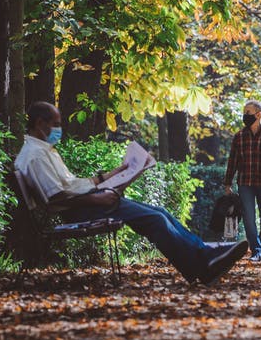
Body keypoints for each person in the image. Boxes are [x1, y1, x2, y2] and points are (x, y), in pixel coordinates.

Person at [14, 102, 248, 286]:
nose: (58, 128)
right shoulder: (35, 155)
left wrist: (117, 173)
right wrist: (97, 197)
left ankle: (205, 256)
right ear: (38, 123)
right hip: (79, 210)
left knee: (159, 211)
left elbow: (71, 185)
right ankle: (203, 266)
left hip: (85, 202)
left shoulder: (43, 150)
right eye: (55, 123)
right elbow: (55, 197)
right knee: (155, 219)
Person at [223, 99, 261, 262]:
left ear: (259, 114)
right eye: (244, 112)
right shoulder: (239, 137)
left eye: (248, 112)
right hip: (245, 183)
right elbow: (232, 161)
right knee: (249, 218)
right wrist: (227, 184)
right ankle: (256, 250)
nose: (245, 115)